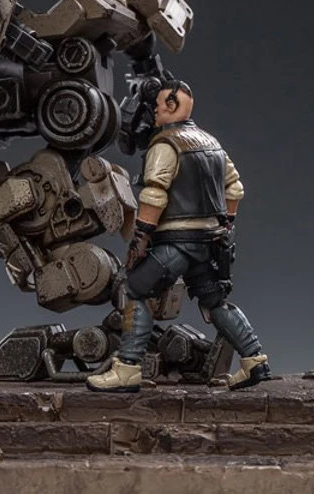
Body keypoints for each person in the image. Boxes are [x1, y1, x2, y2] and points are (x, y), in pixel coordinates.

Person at [87, 79, 271, 393]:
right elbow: (235, 188)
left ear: (171, 105)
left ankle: (127, 368)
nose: (154, 112)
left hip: (176, 242)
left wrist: (141, 237)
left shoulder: (166, 144)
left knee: (134, 290)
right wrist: (225, 224)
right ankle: (255, 360)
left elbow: (155, 194)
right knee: (215, 302)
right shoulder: (211, 142)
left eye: (158, 106)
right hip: (211, 242)